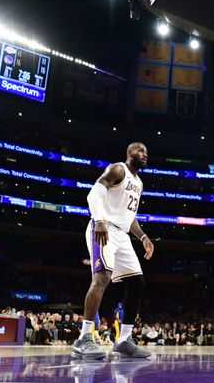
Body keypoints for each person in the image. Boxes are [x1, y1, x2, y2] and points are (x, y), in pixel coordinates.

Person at [71, 142, 154, 360]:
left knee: (137, 282)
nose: (144, 154)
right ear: (129, 153)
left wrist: (143, 237)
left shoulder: (139, 183)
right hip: (104, 228)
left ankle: (124, 340)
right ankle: (83, 338)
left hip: (122, 234)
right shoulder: (118, 169)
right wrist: (99, 220)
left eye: (146, 152)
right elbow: (93, 195)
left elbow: (129, 216)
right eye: (140, 150)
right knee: (101, 278)